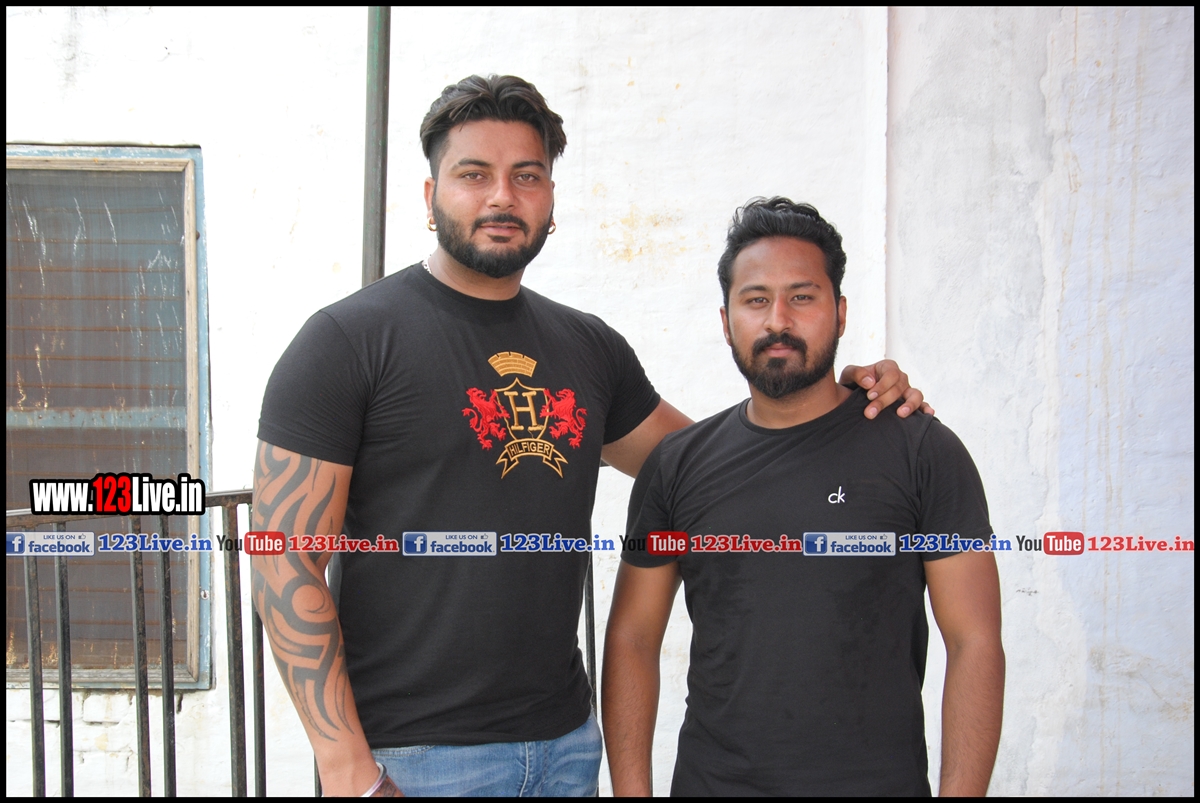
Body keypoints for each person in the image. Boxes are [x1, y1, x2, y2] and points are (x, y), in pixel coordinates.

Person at [250, 76, 928, 797]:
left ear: (550, 199)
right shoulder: (347, 341)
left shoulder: (588, 348)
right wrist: (347, 767)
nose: (502, 197)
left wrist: (841, 402)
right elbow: (282, 561)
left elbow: (717, 470)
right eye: (474, 174)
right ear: (430, 196)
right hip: (414, 759)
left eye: (527, 176)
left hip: (566, 750)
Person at [602, 197, 1004, 796]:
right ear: (726, 321)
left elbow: (975, 642)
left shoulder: (919, 451)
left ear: (840, 313)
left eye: (803, 297)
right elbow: (633, 639)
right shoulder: (677, 465)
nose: (778, 320)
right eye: (756, 299)